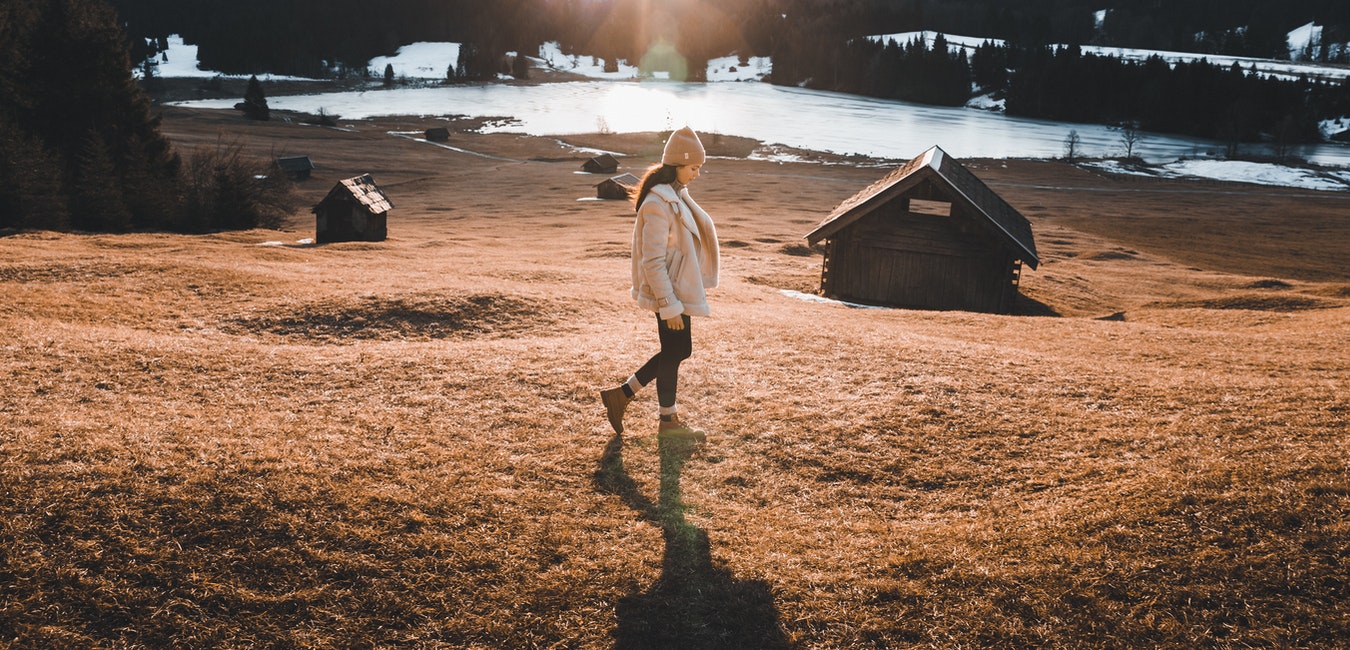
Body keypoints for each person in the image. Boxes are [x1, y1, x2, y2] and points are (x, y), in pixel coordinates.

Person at [600, 126, 720, 441]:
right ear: (677, 164)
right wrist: (669, 304)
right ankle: (666, 422)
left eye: (699, 168)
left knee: (677, 350)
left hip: (675, 290)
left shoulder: (676, 196)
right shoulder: (658, 203)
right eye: (693, 167)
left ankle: (622, 396)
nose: (697, 174)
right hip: (668, 293)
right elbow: (651, 261)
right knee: (677, 350)